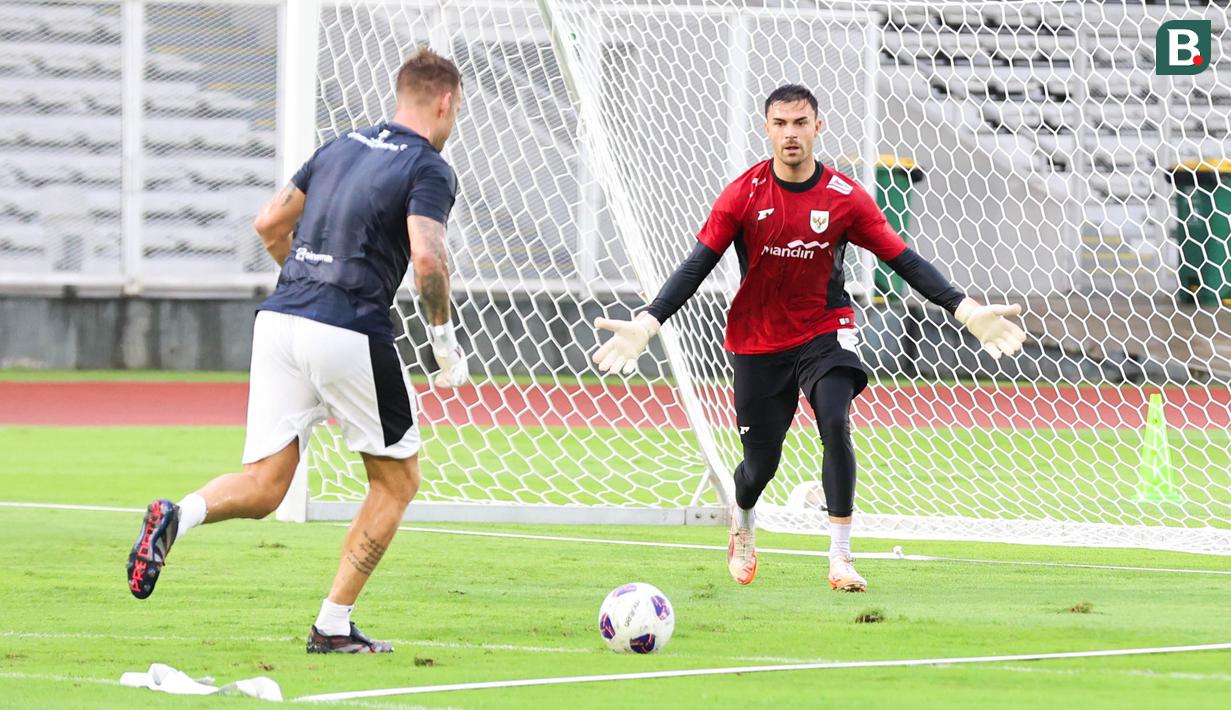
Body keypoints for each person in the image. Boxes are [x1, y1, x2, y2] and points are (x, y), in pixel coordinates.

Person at [591, 84, 1025, 592]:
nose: (791, 133)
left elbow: (902, 258)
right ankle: (744, 518)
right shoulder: (743, 194)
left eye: (801, 123)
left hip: (825, 328)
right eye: (781, 123)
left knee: (835, 421)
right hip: (759, 341)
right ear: (767, 128)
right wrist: (648, 321)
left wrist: (966, 310)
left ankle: (840, 558)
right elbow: (696, 266)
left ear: (818, 127)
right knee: (759, 467)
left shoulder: (844, 198)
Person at [125, 47, 470, 652]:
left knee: (265, 485)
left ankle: (178, 515)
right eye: (456, 110)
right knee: (396, 482)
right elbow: (427, 257)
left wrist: (310, 282)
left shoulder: (339, 146)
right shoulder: (429, 166)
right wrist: (444, 341)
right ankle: (333, 625)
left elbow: (267, 224)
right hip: (349, 328)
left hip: (280, 320)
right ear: (445, 102)